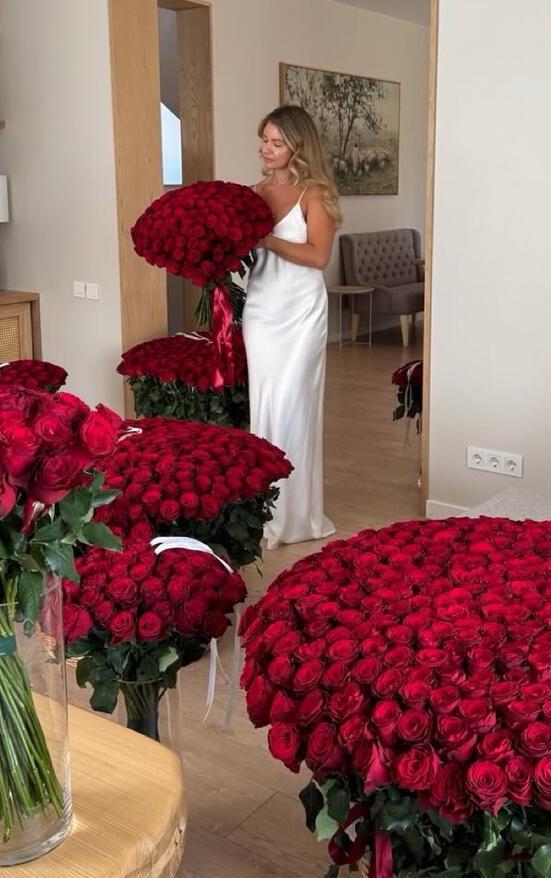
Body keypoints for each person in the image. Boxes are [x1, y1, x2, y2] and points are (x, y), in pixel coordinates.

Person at [243, 105, 342, 550]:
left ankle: (297, 517)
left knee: (292, 407)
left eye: (276, 141)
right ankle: (265, 511)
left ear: (298, 146)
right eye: (264, 139)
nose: (266, 148)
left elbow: (319, 257)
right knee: (264, 407)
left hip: (301, 313)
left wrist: (266, 239)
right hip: (261, 312)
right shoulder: (251, 192)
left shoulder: (314, 194)